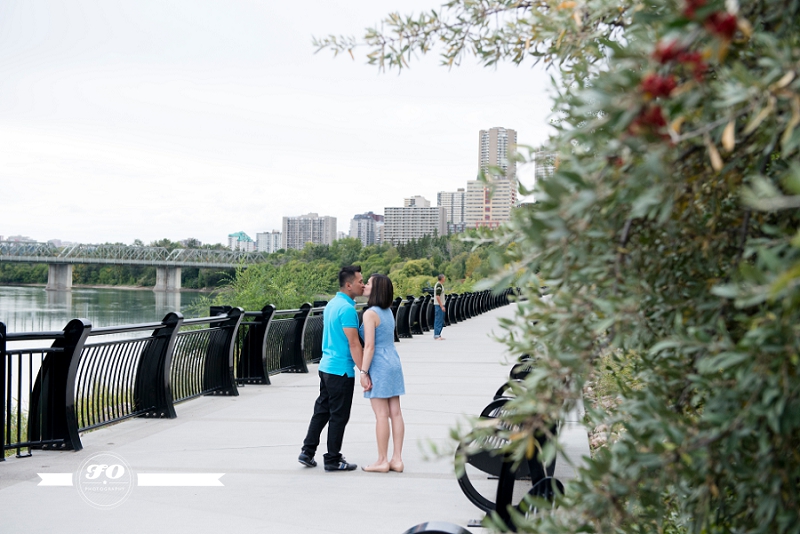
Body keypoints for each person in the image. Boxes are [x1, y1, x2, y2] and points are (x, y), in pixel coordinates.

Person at [299, 265, 369, 472]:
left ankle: (307, 451)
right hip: (341, 370)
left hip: (326, 367)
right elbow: (354, 343)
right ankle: (332, 459)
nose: (362, 284)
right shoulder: (347, 309)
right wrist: (364, 370)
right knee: (339, 415)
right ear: (349, 285)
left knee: (322, 411)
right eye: (359, 281)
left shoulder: (332, 304)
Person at [359, 274, 406, 473]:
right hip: (393, 361)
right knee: (395, 413)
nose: (365, 286)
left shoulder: (370, 313)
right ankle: (397, 459)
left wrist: (363, 372)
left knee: (381, 414)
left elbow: (369, 346)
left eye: (368, 283)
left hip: (379, 364)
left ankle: (381, 460)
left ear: (376, 289)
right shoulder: (388, 312)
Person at [433, 274, 446, 340]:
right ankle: (436, 335)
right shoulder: (439, 285)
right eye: (444, 277)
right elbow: (437, 296)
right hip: (439, 305)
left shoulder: (440, 285)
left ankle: (439, 334)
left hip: (439, 305)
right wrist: (442, 306)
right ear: (442, 278)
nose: (445, 278)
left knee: (440, 320)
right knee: (438, 320)